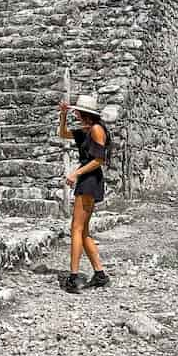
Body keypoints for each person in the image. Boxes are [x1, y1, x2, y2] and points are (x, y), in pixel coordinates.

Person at [57, 93, 112, 294]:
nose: (76, 115)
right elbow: (63, 134)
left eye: (76, 112)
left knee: (76, 228)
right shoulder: (87, 130)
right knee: (83, 230)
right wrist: (63, 115)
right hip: (87, 179)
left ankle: (74, 276)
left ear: (83, 113)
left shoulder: (97, 130)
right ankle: (100, 274)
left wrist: (76, 173)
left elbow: (99, 159)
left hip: (89, 179)